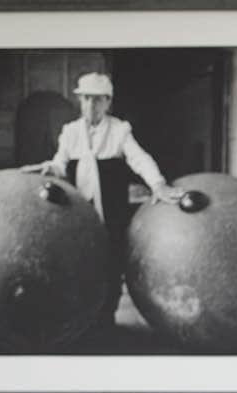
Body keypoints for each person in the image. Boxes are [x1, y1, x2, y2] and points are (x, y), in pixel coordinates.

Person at [25, 72, 177, 325]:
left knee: (111, 263)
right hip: (77, 210)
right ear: (80, 101)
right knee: (79, 262)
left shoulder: (119, 130)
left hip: (112, 211)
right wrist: (48, 168)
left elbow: (139, 159)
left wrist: (158, 184)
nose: (91, 106)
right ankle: (80, 320)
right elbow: (60, 164)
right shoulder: (70, 131)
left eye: (97, 100)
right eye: (86, 99)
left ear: (108, 102)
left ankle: (106, 319)